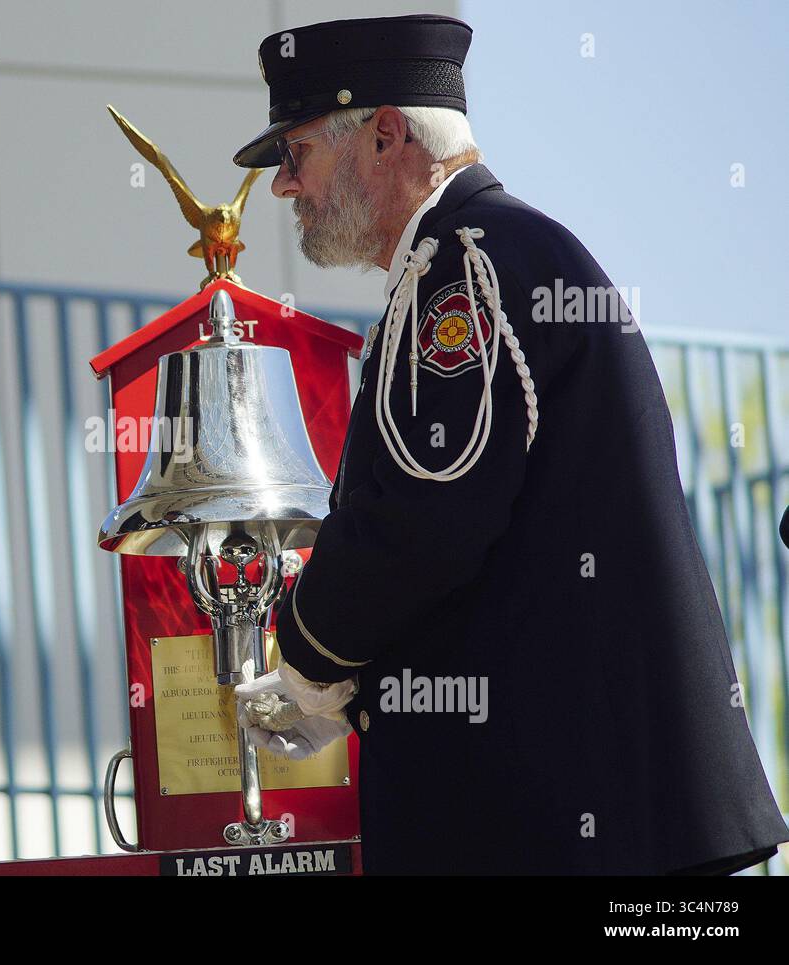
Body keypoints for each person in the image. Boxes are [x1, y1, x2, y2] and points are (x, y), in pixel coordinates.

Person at [232, 15, 788, 874]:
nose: (283, 186)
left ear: (384, 135)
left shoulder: (468, 270)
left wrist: (307, 653)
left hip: (562, 824)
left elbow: (424, 517)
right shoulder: (496, 255)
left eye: (295, 153)